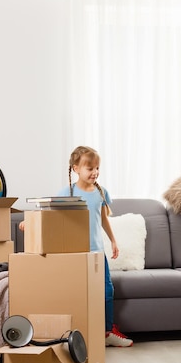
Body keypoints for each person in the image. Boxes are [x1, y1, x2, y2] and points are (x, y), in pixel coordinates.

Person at [60, 146, 133, 347]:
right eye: (89, 168)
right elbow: (53, 218)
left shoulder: (101, 192)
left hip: (97, 252)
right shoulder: (67, 193)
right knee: (79, 292)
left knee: (107, 291)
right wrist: (28, 224)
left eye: (97, 168)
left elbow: (102, 219)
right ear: (76, 168)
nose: (95, 172)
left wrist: (113, 240)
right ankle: (79, 333)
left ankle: (107, 332)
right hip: (77, 253)